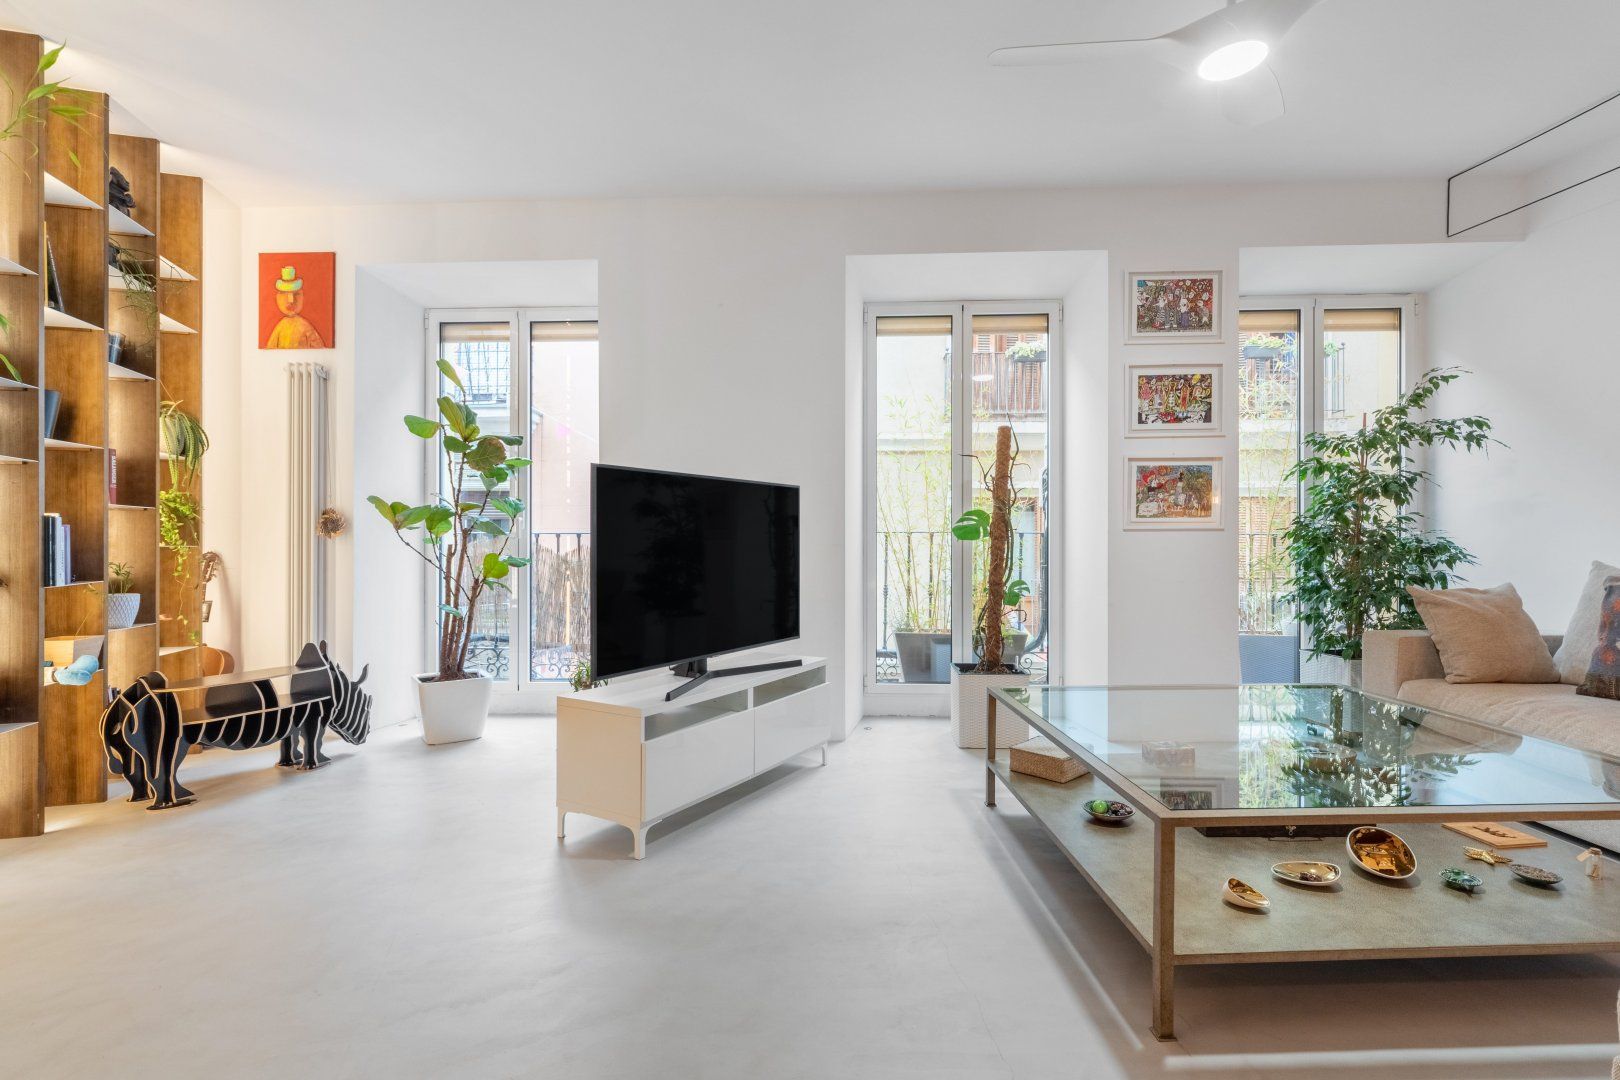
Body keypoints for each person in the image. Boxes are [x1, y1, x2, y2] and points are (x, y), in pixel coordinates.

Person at [264, 264, 327, 349]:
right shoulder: (280, 327)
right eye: (284, 294)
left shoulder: (305, 327)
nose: (291, 300)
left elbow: (319, 349)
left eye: (296, 294)